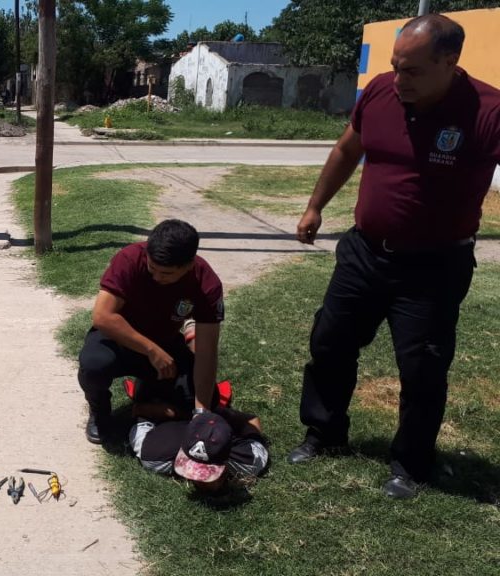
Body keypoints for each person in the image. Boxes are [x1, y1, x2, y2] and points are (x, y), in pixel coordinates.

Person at [290, 14, 500, 499]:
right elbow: (347, 149)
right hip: (364, 252)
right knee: (330, 342)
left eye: (413, 70)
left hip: (434, 266)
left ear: (450, 63)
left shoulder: (486, 110)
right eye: (395, 66)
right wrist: (315, 206)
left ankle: (409, 464)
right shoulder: (382, 92)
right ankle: (323, 433)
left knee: (423, 367)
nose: (399, 79)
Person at [77, 219, 224, 444]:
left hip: (165, 343)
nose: (156, 277)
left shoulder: (206, 284)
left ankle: (145, 399)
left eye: (166, 273)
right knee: (94, 365)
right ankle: (100, 414)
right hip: (118, 339)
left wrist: (201, 414)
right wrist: (151, 350)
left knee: (207, 399)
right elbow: (102, 317)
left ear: (189, 265)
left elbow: (206, 352)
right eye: (152, 268)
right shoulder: (129, 258)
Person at [129, 405, 269, 492]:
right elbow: (140, 411)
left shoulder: (249, 460)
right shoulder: (154, 453)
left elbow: (251, 421)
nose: (198, 481)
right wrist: (174, 412)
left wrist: (221, 412)